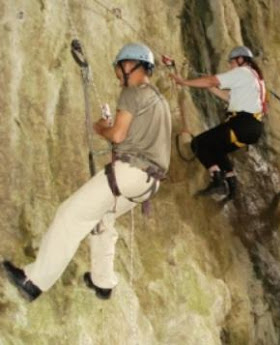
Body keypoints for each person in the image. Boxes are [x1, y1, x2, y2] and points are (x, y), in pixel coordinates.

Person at [3, 43, 172, 301]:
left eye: (119, 68)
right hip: (149, 183)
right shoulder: (159, 100)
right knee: (103, 218)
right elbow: (137, 138)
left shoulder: (131, 93)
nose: (118, 74)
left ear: (131, 65)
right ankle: (102, 282)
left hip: (129, 174)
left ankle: (33, 281)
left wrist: (100, 128)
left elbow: (117, 135)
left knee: (69, 215)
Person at [167, 46, 266, 200]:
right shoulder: (255, 78)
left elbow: (212, 80)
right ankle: (232, 183)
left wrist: (184, 82)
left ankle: (217, 181)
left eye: (231, 62)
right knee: (217, 149)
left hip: (242, 123)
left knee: (199, 143)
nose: (230, 66)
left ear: (240, 60)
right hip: (253, 129)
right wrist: (210, 87)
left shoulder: (242, 72)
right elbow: (228, 97)